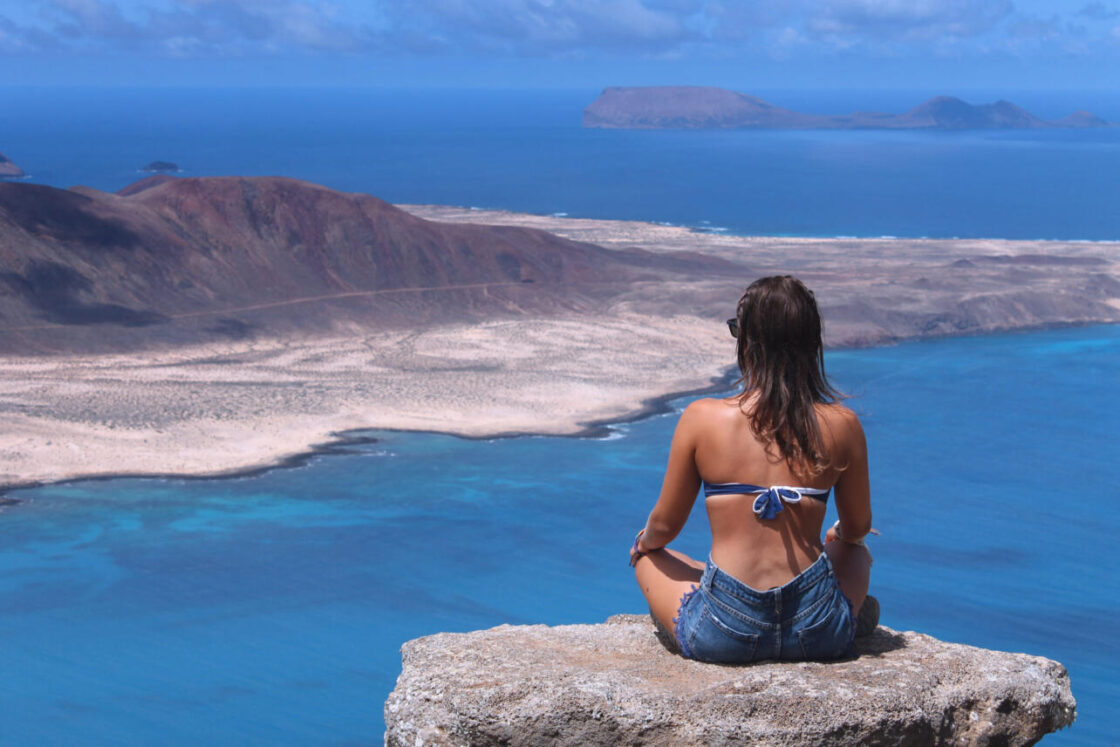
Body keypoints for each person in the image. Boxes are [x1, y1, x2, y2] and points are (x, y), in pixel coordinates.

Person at [630, 275, 876, 663]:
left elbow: (665, 526)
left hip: (725, 631)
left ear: (748, 343)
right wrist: (839, 535)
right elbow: (859, 528)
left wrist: (644, 543)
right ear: (812, 345)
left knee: (648, 558)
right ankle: (849, 616)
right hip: (816, 629)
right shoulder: (843, 425)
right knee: (856, 553)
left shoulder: (702, 419)